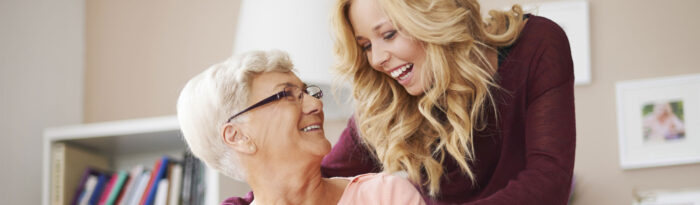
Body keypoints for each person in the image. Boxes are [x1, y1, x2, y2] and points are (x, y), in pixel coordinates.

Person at [321, 0, 576, 204]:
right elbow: (322, 177)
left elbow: (550, 182)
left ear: (431, 15)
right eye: (365, 46)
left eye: (388, 34)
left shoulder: (537, 44)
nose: (376, 59)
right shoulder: (387, 102)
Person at [176, 50, 425, 205]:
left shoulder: (384, 196)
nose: (316, 104)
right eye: (286, 95)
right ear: (238, 136)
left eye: (307, 92)